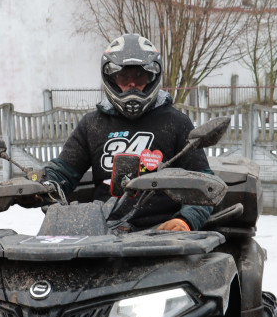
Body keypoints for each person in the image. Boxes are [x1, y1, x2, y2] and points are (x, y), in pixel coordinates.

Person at [43, 33, 213, 231]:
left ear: (152, 77)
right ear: (112, 79)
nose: (132, 84)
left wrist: (185, 220)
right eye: (124, 76)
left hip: (163, 234)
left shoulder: (176, 122)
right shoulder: (92, 124)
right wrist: (40, 186)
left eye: (139, 76)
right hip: (102, 232)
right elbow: (61, 172)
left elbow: (204, 183)